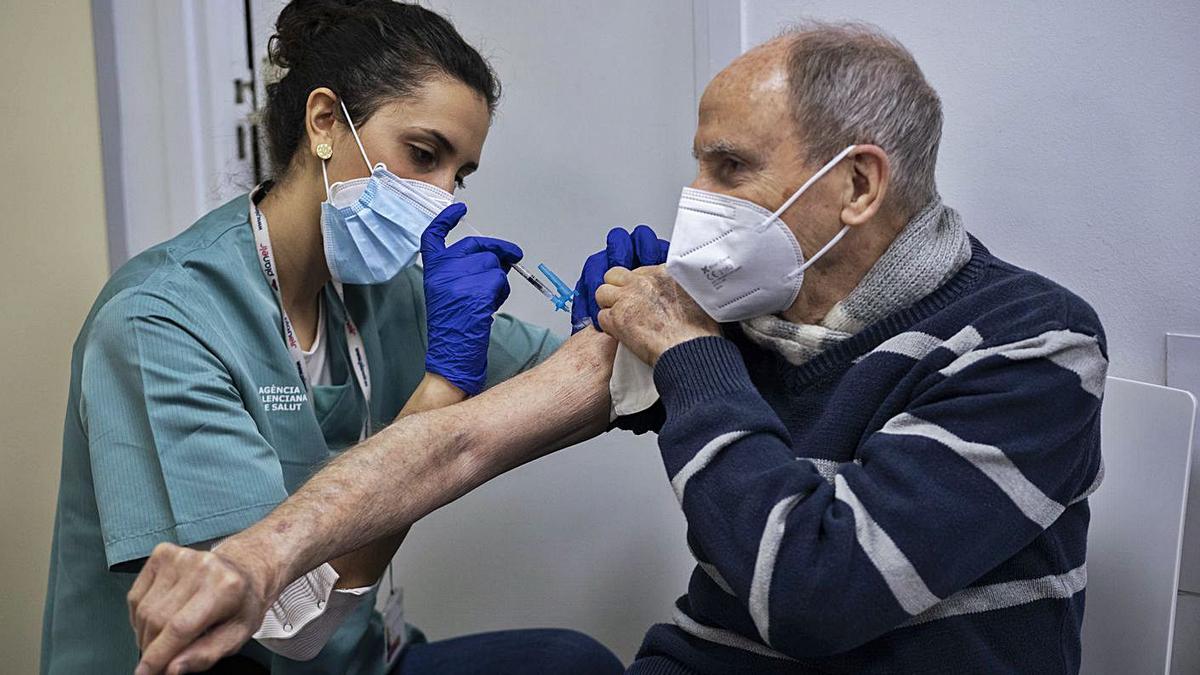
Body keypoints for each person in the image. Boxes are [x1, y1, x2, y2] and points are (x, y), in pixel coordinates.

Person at [126, 20, 1107, 675]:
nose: (700, 201)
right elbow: (462, 442)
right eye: (700, 164)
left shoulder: (1031, 347)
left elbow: (817, 587)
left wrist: (687, 351)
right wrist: (258, 558)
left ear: (856, 187)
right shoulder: (736, 305)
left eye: (731, 167)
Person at [40, 1, 622, 674]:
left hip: (355, 660)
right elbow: (284, 621)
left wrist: (618, 322)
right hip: (243, 658)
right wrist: (442, 387)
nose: (446, 198)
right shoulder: (161, 321)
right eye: (424, 154)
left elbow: (572, 385)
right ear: (324, 122)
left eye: (458, 175)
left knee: (571, 662)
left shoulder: (385, 294)